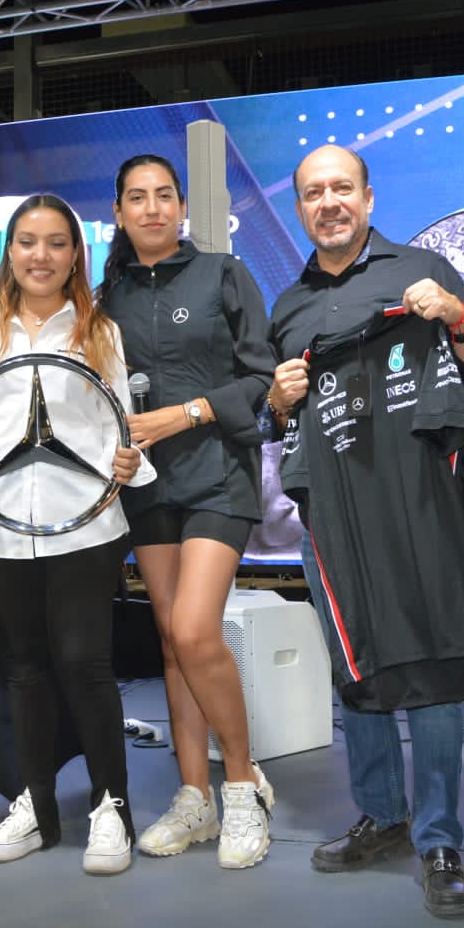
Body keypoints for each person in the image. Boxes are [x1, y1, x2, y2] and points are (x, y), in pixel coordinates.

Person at [265, 144, 464, 918]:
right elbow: (280, 425)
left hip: (420, 500)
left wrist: (457, 320)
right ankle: (383, 816)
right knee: (357, 660)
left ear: (368, 197)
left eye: (341, 188)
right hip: (335, 512)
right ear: (301, 208)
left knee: (431, 659)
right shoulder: (288, 307)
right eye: (313, 193)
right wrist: (277, 400)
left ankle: (439, 840)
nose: (328, 202)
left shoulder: (423, 272)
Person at [0, 194, 152, 876]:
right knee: (24, 670)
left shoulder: (101, 331)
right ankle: (36, 804)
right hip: (1, 529)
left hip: (86, 527)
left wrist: (130, 462)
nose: (41, 256)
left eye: (57, 243)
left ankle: (112, 807)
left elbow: (120, 424)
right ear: (9, 252)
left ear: (75, 254)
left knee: (86, 665)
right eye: (28, 242)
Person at [96, 154, 278, 868]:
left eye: (163, 196)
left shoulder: (223, 274)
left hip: (217, 475)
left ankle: (242, 786)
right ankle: (194, 795)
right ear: (118, 212)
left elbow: (262, 377)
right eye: (137, 198)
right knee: (171, 642)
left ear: (181, 207)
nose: (152, 209)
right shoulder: (104, 297)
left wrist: (188, 412)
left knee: (196, 630)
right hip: (144, 485)